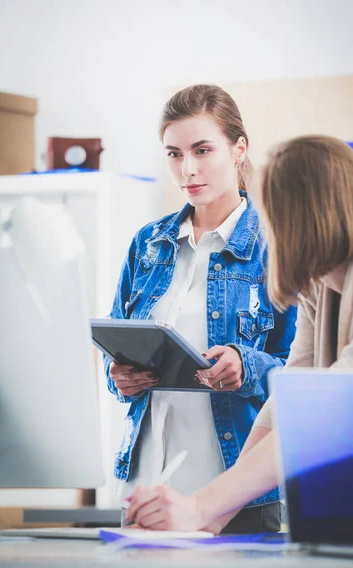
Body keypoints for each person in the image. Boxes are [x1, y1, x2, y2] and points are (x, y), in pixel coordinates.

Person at [125, 134, 353, 532]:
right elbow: (285, 408)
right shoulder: (322, 288)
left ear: (299, 218)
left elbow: (327, 418)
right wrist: (210, 520)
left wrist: (199, 508)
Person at [104, 84, 297, 534]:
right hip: (144, 485)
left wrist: (246, 366)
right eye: (174, 154)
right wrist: (121, 379)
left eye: (202, 149)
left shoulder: (278, 248)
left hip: (234, 492)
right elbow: (116, 354)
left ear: (239, 149)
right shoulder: (146, 245)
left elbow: (306, 375)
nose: (187, 169)